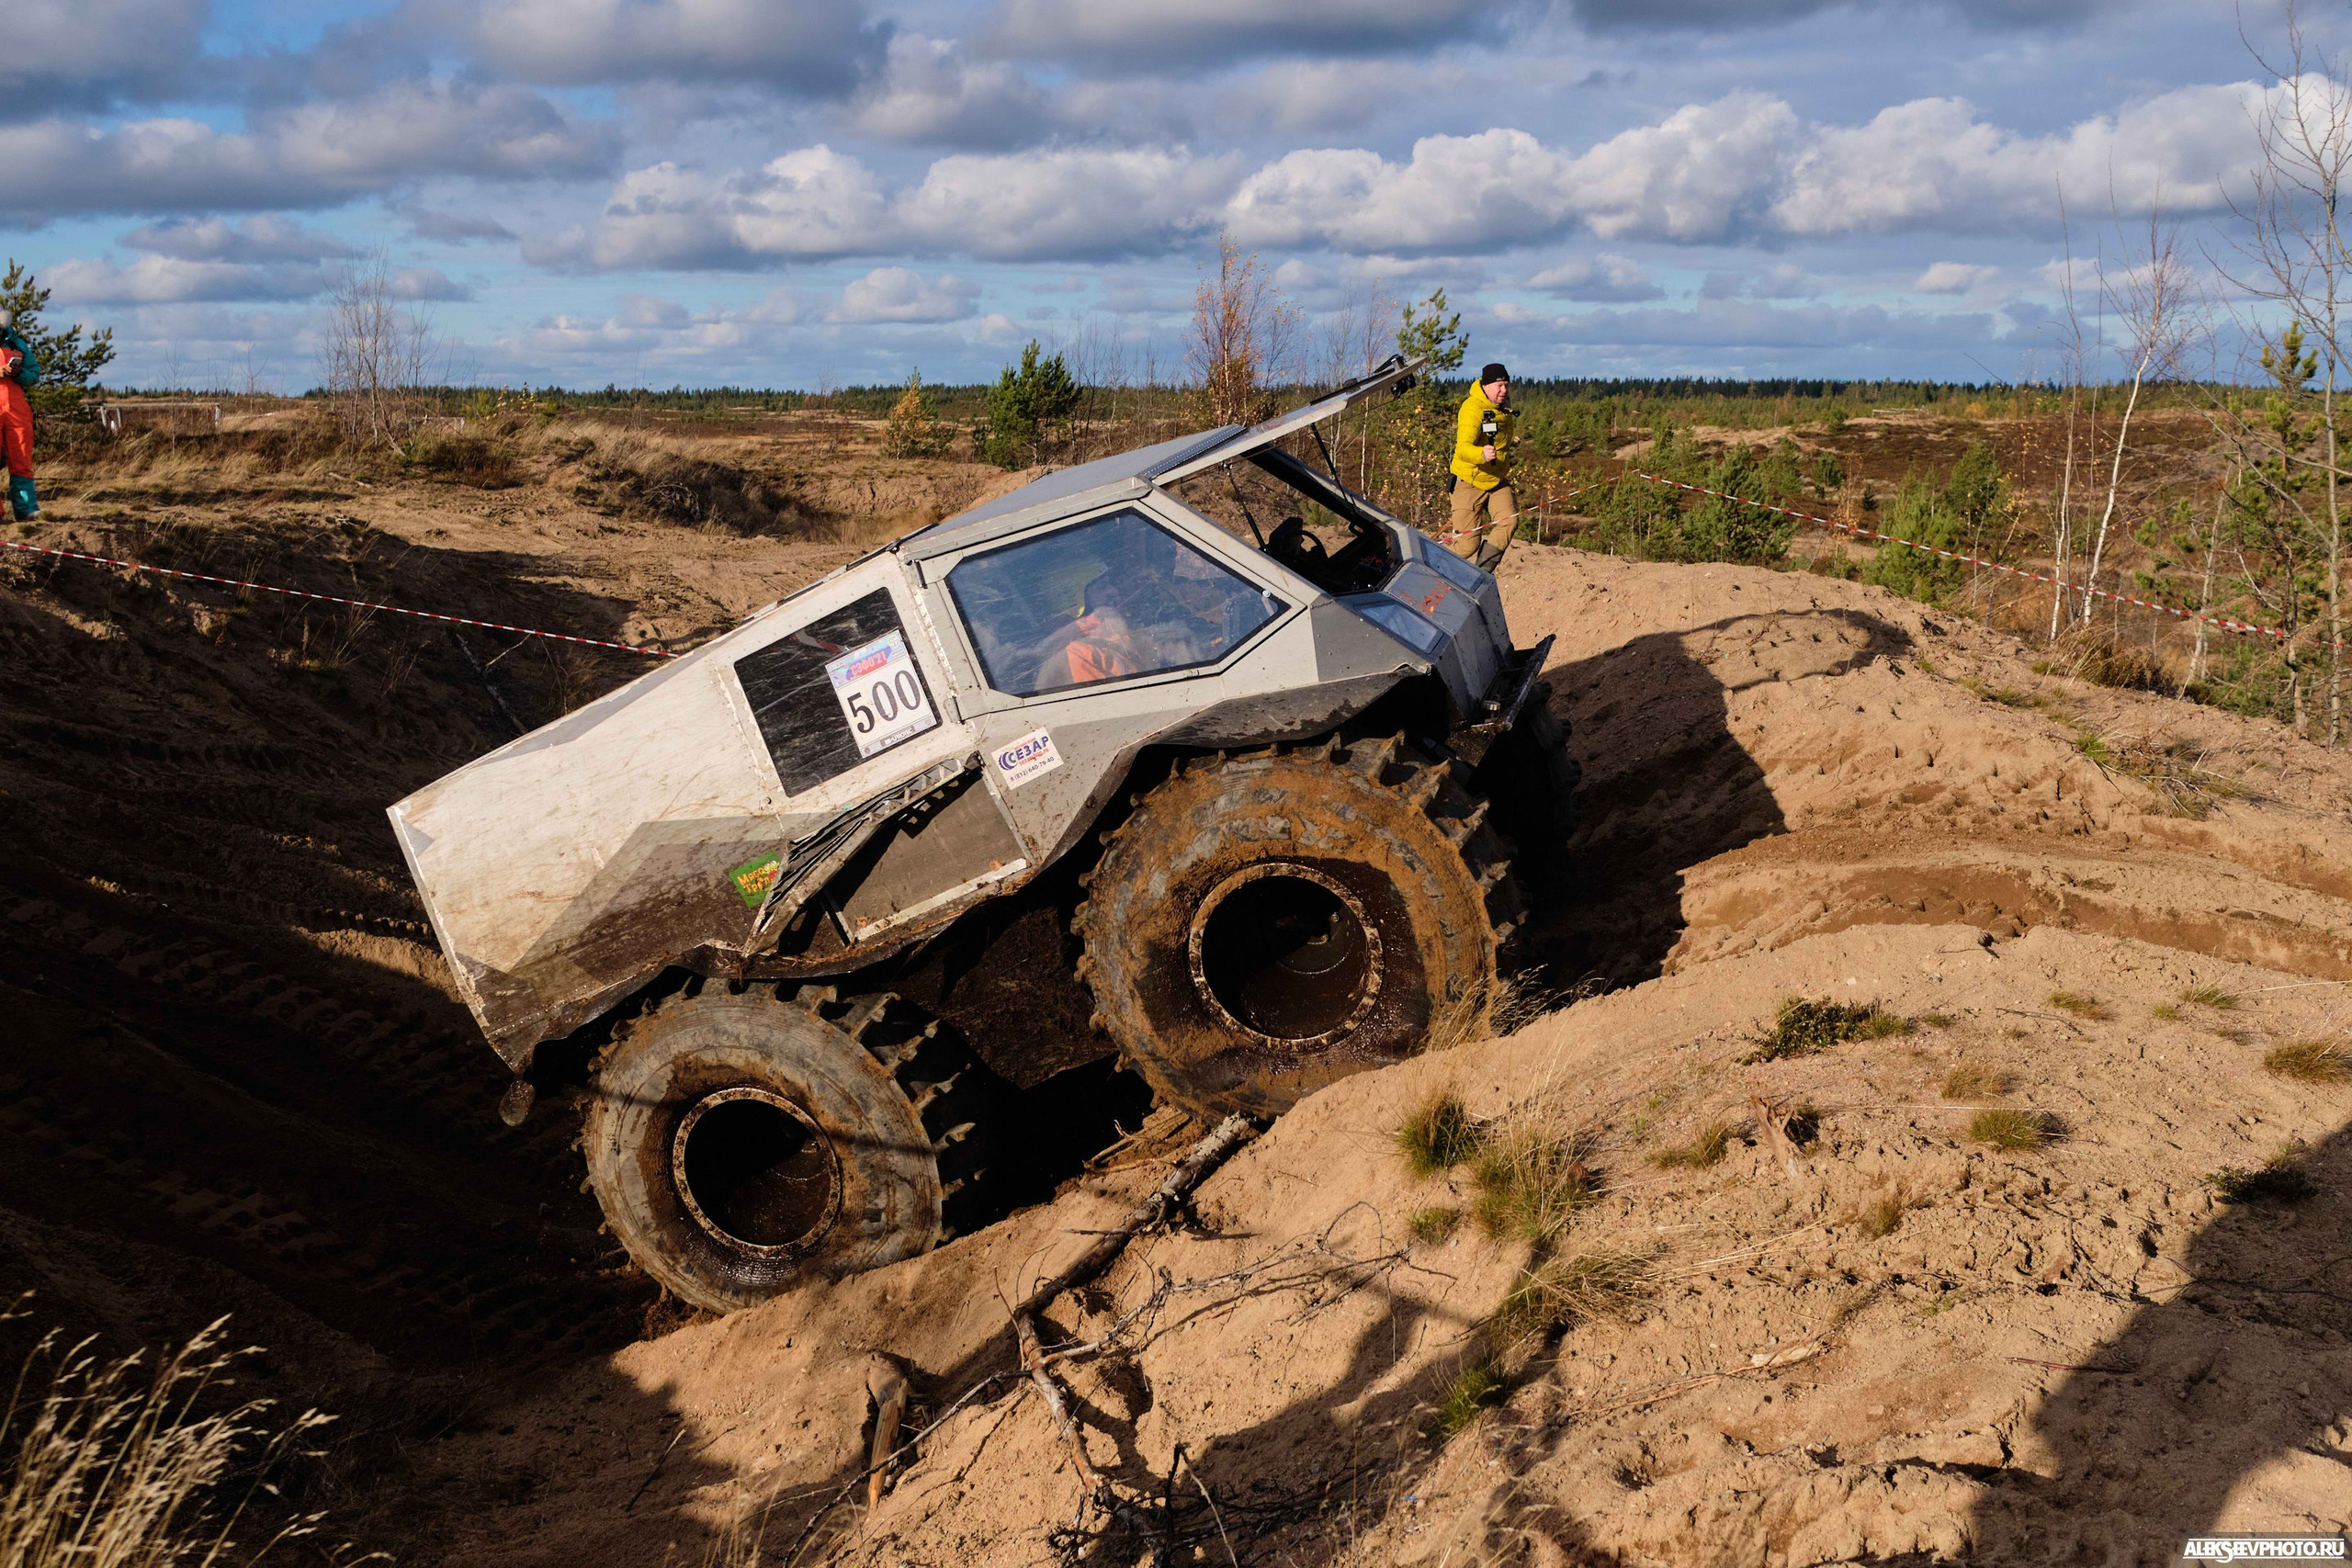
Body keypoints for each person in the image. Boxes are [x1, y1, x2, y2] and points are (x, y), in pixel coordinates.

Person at [1447, 361, 1514, 561]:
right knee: (1468, 545)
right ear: (1485, 386)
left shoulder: (1504, 407)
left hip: (1495, 479)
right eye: (1499, 385)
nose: (1504, 390)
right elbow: (1462, 449)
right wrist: (1481, 454)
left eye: (1506, 385)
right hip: (1469, 481)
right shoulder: (1472, 409)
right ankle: (1436, 573)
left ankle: (1481, 572)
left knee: (1509, 521)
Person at [0, 308, 39, 523]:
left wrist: (18, 373)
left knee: (21, 459)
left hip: (17, 409)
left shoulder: (17, 344)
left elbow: (34, 375)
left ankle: (26, 510)